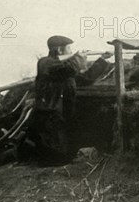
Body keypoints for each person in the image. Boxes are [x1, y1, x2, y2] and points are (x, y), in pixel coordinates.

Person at [30, 35, 112, 166]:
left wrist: (102, 60)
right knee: (52, 149)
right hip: (49, 113)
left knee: (63, 147)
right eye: (69, 48)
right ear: (60, 50)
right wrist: (78, 57)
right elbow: (69, 68)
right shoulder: (46, 63)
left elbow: (86, 79)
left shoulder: (64, 69)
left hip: (61, 111)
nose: (71, 51)